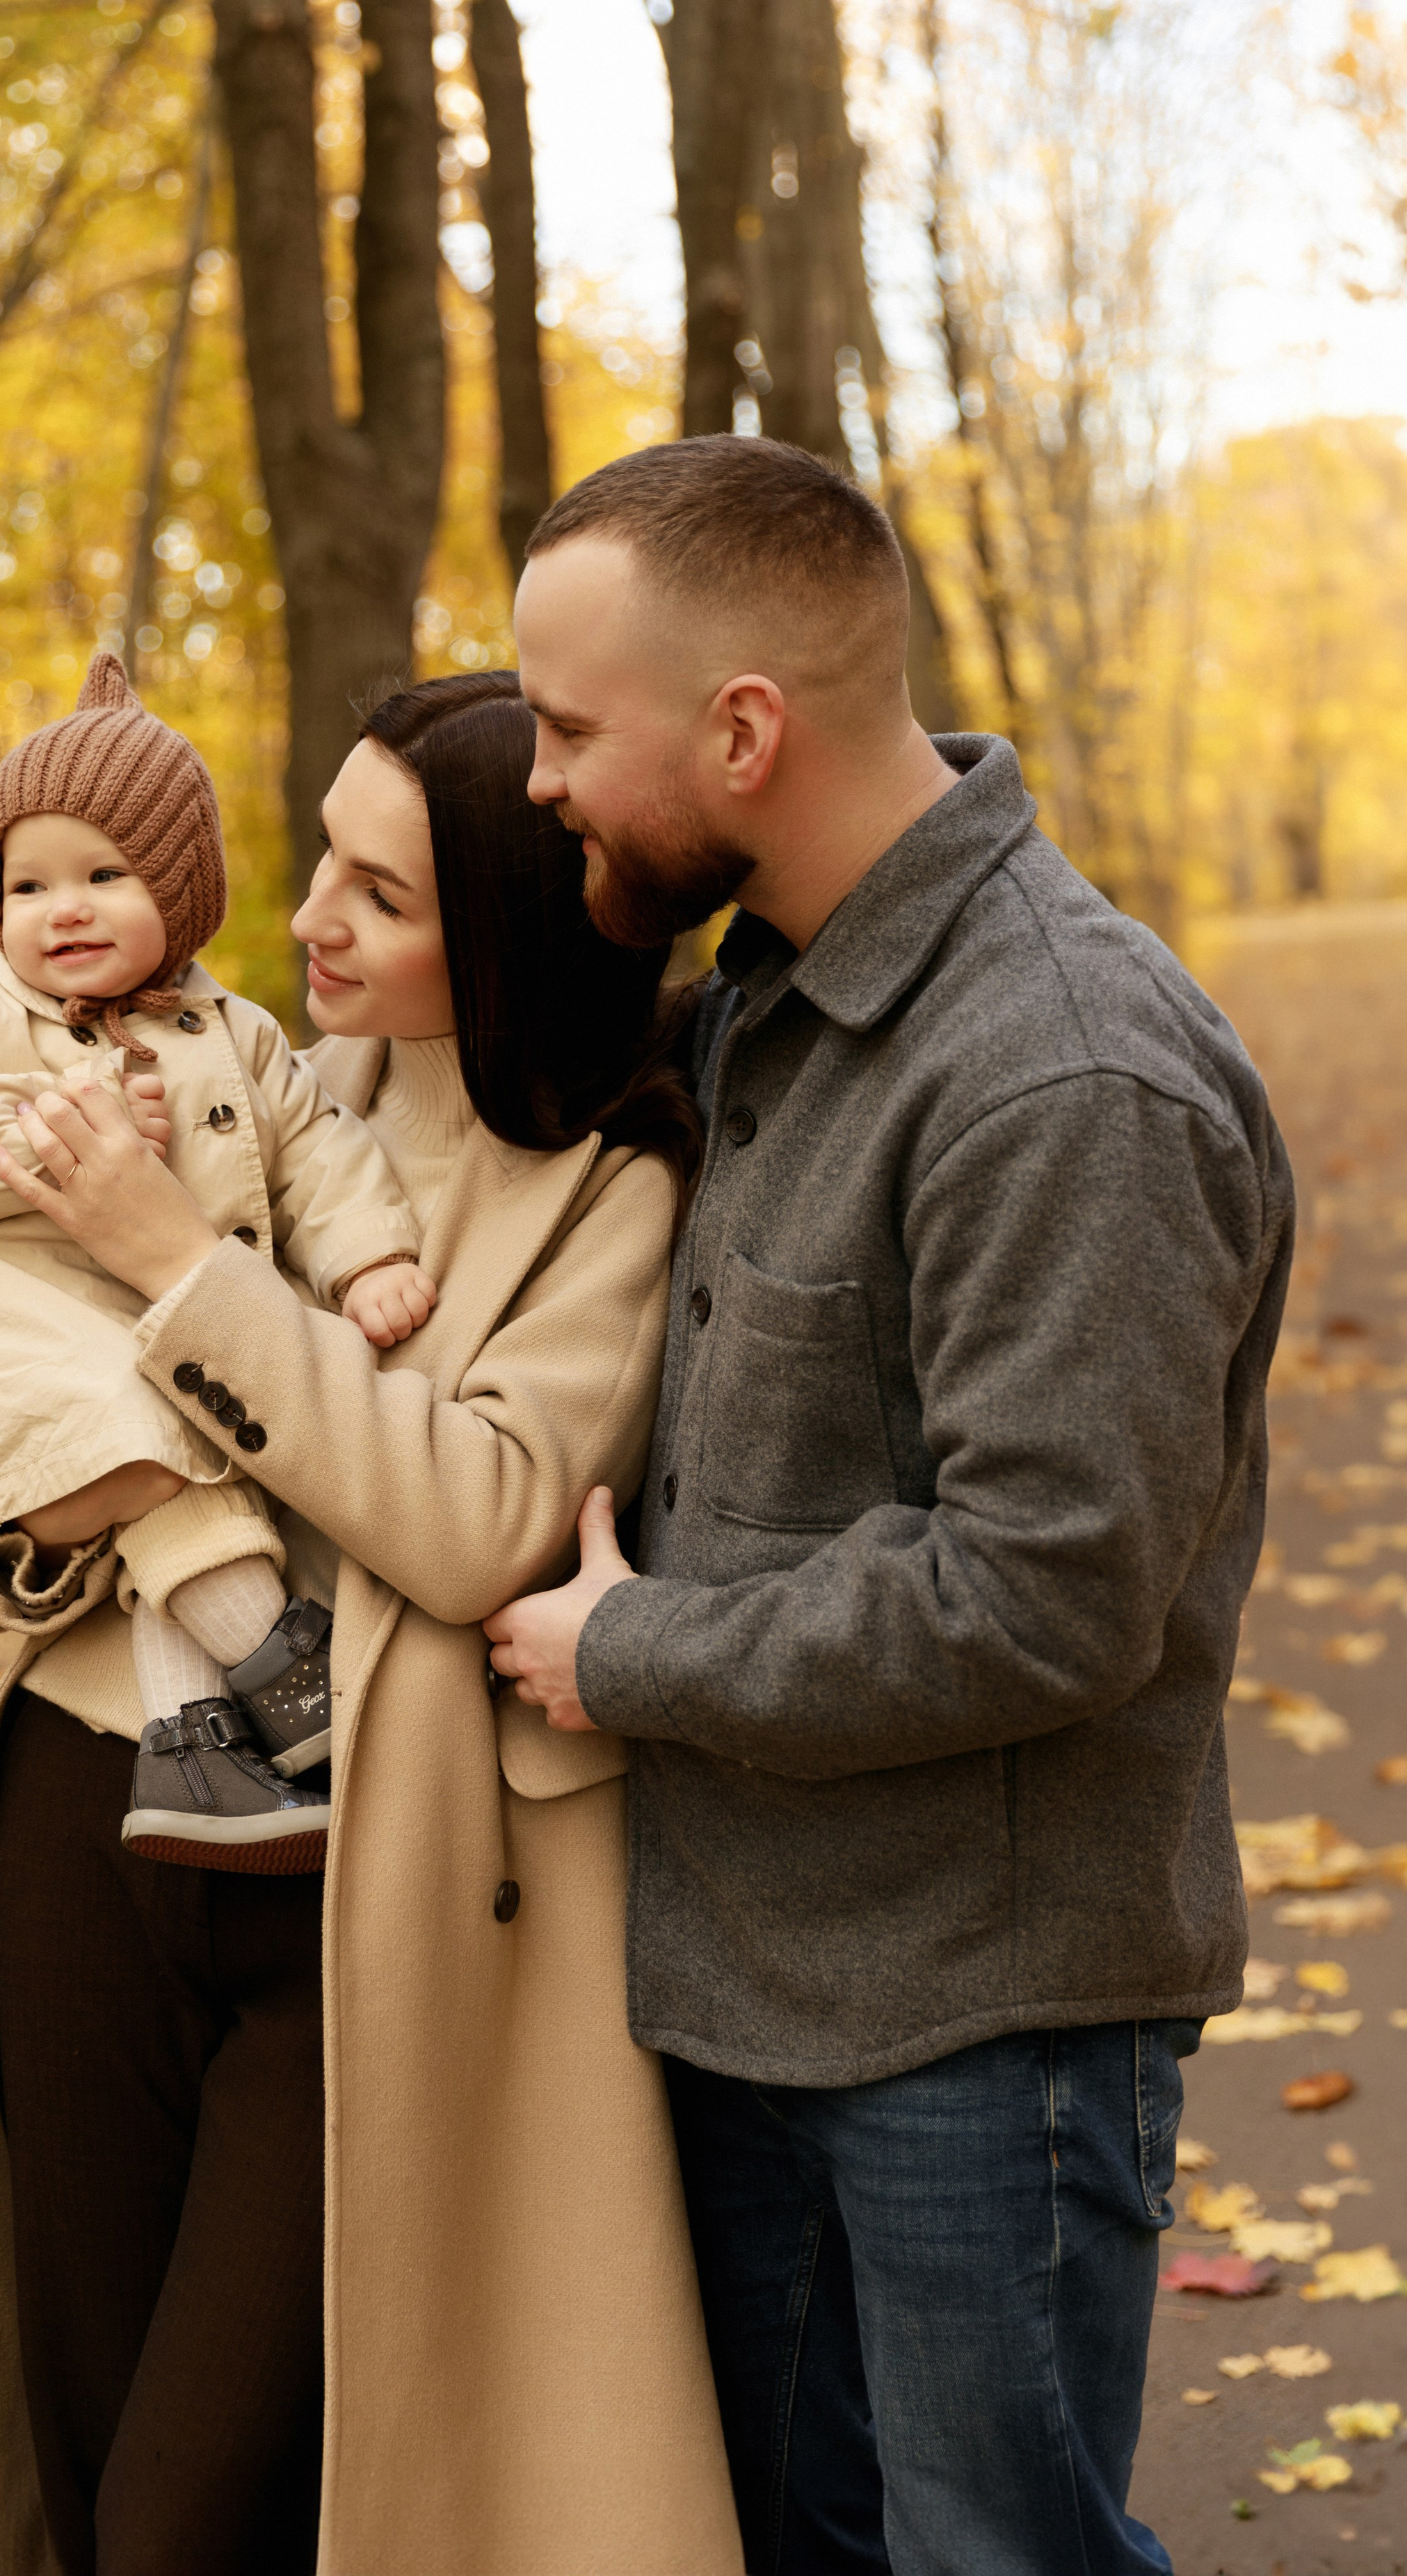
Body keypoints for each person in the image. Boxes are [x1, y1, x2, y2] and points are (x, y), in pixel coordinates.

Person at [485, 437, 1294, 2576]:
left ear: (743, 729)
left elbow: (1044, 1594)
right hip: (747, 1984)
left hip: (978, 2024)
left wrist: (626, 1649)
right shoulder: (774, 997)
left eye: (571, 728)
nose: (543, 779)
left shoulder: (1062, 1068)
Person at [0, 670, 744, 2576]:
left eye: (382, 893)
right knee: (88, 2429)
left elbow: (476, 1521)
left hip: (363, 1875)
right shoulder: (246, 1068)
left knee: (202, 2503)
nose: (308, 922)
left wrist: (177, 1263)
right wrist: (36, 1537)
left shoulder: (614, 1188)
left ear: (510, 929)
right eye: (322, 867)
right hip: (83, 1787)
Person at [0, 649, 437, 1863]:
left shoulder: (240, 1036)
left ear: (180, 894)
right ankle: (288, 1671)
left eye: (104, 875)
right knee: (166, 1455)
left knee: (190, 1468)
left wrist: (365, 1255)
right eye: (28, 885)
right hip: (10, 1364)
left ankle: (195, 1749)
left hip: (160, 1362)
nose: (61, 908)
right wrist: (72, 1108)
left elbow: (317, 1152)